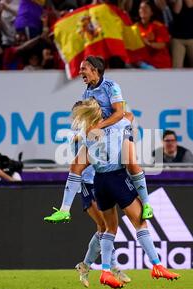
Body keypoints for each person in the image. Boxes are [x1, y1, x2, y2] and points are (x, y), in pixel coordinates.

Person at [59, 98, 180, 289]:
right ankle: (155, 265)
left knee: (107, 228)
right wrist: (118, 116)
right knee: (138, 222)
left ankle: (104, 269)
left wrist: (65, 206)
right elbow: (129, 119)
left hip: (98, 181)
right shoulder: (117, 125)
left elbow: (77, 164)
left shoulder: (84, 132)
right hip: (110, 179)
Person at [44, 56, 153, 223]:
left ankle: (146, 204)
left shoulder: (111, 87)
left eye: (83, 69)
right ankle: (64, 210)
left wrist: (98, 126)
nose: (80, 72)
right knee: (76, 165)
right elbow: (90, 118)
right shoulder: (87, 91)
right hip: (103, 134)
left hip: (121, 127)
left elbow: (118, 113)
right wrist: (83, 132)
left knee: (131, 163)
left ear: (95, 70)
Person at [68, 102, 131, 288]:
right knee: (105, 226)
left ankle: (87, 266)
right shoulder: (79, 131)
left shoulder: (99, 127)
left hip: (101, 182)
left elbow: (127, 116)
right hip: (87, 184)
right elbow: (79, 140)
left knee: (103, 228)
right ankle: (111, 267)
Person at [135, 0, 172, 69]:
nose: (142, 10)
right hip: (143, 64)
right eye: (141, 8)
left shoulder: (158, 26)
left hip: (160, 64)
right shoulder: (135, 27)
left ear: (151, 12)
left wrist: (148, 43)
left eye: (145, 7)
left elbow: (162, 45)